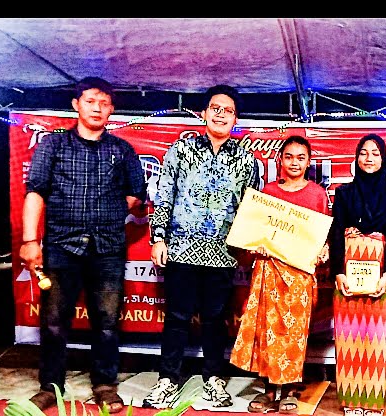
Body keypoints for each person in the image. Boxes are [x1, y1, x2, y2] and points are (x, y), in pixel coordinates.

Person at [19, 77, 147, 413]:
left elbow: (137, 195)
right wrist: (30, 240)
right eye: (90, 101)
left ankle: (105, 385)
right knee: (53, 321)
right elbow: (35, 192)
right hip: (62, 246)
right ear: (76, 105)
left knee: (106, 321)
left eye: (104, 103)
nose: (97, 108)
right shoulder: (53, 145)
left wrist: (112, 211)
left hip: (108, 249)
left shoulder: (122, 150)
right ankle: (50, 387)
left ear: (112, 109)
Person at [144, 85, 260, 409]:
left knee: (215, 318)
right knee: (177, 317)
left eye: (228, 110)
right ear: (204, 113)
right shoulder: (181, 149)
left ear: (236, 119)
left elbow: (251, 207)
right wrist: (158, 238)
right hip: (180, 248)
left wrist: (250, 245)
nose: (221, 115)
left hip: (223, 253)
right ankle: (168, 380)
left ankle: (214, 379)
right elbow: (164, 194)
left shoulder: (246, 159)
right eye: (215, 108)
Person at [230, 135, 330, 414]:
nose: (294, 162)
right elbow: (252, 236)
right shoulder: (268, 193)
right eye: (289, 157)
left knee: (293, 334)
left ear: (309, 162)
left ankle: (289, 390)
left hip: (299, 274)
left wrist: (323, 250)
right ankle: (268, 391)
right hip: (268, 270)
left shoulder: (317, 195)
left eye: (301, 157)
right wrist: (255, 245)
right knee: (267, 332)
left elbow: (323, 237)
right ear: (280, 160)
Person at [329, 133, 386, 416]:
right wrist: (338, 272)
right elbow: (336, 234)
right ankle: (351, 401)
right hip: (348, 272)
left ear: (383, 159)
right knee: (348, 337)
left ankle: (372, 402)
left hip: (379, 273)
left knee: (376, 339)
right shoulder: (343, 194)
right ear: (356, 158)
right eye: (363, 152)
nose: (369, 158)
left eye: (375, 153)